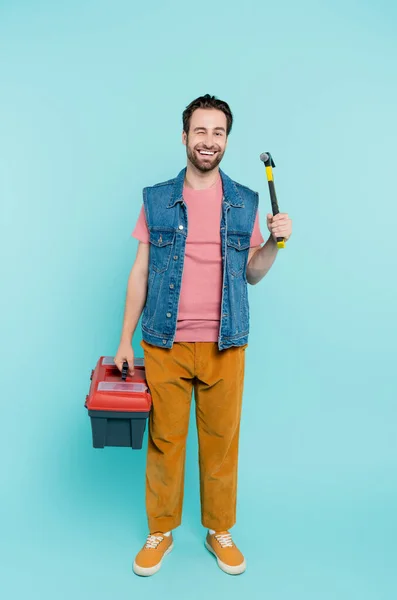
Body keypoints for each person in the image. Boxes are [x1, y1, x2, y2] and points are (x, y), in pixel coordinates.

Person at [114, 94, 292, 577]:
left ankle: (218, 529)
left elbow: (252, 273)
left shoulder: (246, 201)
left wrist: (274, 242)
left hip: (225, 343)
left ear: (227, 140)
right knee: (164, 442)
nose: (208, 141)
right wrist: (124, 339)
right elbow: (141, 271)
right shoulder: (155, 199)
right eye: (200, 131)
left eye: (217, 133)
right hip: (163, 342)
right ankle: (161, 531)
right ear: (185, 136)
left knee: (220, 444)